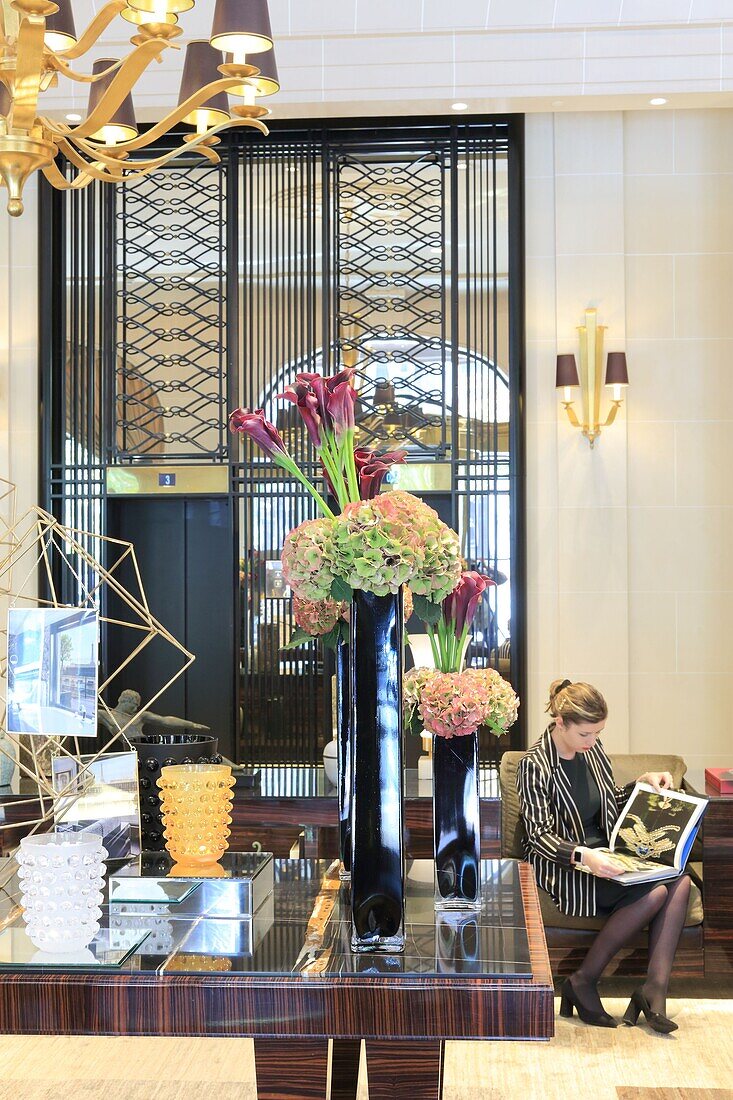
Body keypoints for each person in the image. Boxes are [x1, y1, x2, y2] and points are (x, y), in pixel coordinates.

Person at [517, 679, 691, 1033]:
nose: (593, 742)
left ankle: (654, 990)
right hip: (565, 865)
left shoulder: (591, 751)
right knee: (657, 891)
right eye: (586, 734)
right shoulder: (534, 765)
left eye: (597, 733)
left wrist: (641, 783)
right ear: (560, 723)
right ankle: (582, 980)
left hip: (608, 856)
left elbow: (607, 798)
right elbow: (538, 836)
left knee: (681, 880)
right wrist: (586, 857)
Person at [97, 689, 210, 740]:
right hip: (133, 749)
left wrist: (191, 724)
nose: (136, 708)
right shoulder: (105, 715)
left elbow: (165, 721)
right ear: (124, 700)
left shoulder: (140, 716)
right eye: (135, 704)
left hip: (147, 744)